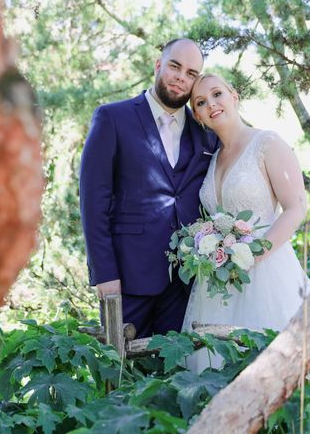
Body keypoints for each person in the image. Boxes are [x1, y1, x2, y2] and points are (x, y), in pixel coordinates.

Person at [183, 73, 310, 400]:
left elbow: (296, 208)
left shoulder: (267, 143)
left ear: (234, 95)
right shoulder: (212, 159)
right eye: (201, 102)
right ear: (198, 115)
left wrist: (253, 255)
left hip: (268, 272)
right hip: (218, 285)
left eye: (217, 94)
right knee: (219, 371)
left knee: (285, 370)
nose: (211, 104)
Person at [79, 39, 218, 338]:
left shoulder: (206, 130)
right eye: (175, 66)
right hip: (128, 279)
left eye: (192, 73)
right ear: (158, 65)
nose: (182, 77)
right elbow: (93, 203)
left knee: (177, 373)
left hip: (187, 282)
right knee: (121, 372)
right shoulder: (113, 118)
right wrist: (105, 274)